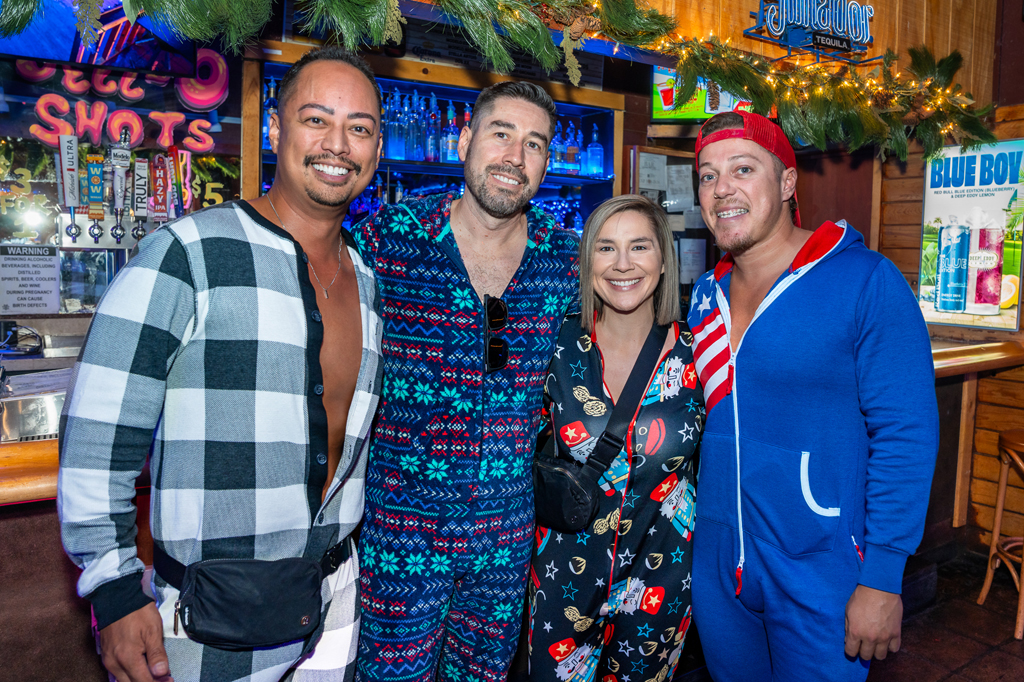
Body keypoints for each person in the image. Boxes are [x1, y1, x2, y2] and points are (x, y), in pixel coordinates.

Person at [58, 46, 384, 682]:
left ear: (375, 148)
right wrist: (113, 587)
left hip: (337, 600)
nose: (337, 144)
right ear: (275, 129)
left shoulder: (367, 281)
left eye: (360, 128)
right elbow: (98, 433)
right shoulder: (187, 253)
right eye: (316, 119)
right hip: (212, 619)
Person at [685, 110, 939, 681]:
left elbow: (907, 434)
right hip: (719, 571)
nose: (722, 188)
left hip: (822, 571)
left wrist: (883, 577)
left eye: (743, 169)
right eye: (707, 175)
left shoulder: (865, 281)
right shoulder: (704, 294)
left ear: (787, 183)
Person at [352, 81, 580, 682]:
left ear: (546, 163)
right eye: (501, 134)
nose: (515, 156)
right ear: (464, 141)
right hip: (400, 536)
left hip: (505, 543)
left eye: (535, 144)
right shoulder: (389, 239)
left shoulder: (566, 260)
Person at [528, 195, 703, 682]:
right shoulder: (556, 345)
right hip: (562, 580)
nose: (622, 264)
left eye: (639, 246)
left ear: (664, 260)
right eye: (606, 248)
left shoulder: (700, 355)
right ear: (587, 263)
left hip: (661, 582)